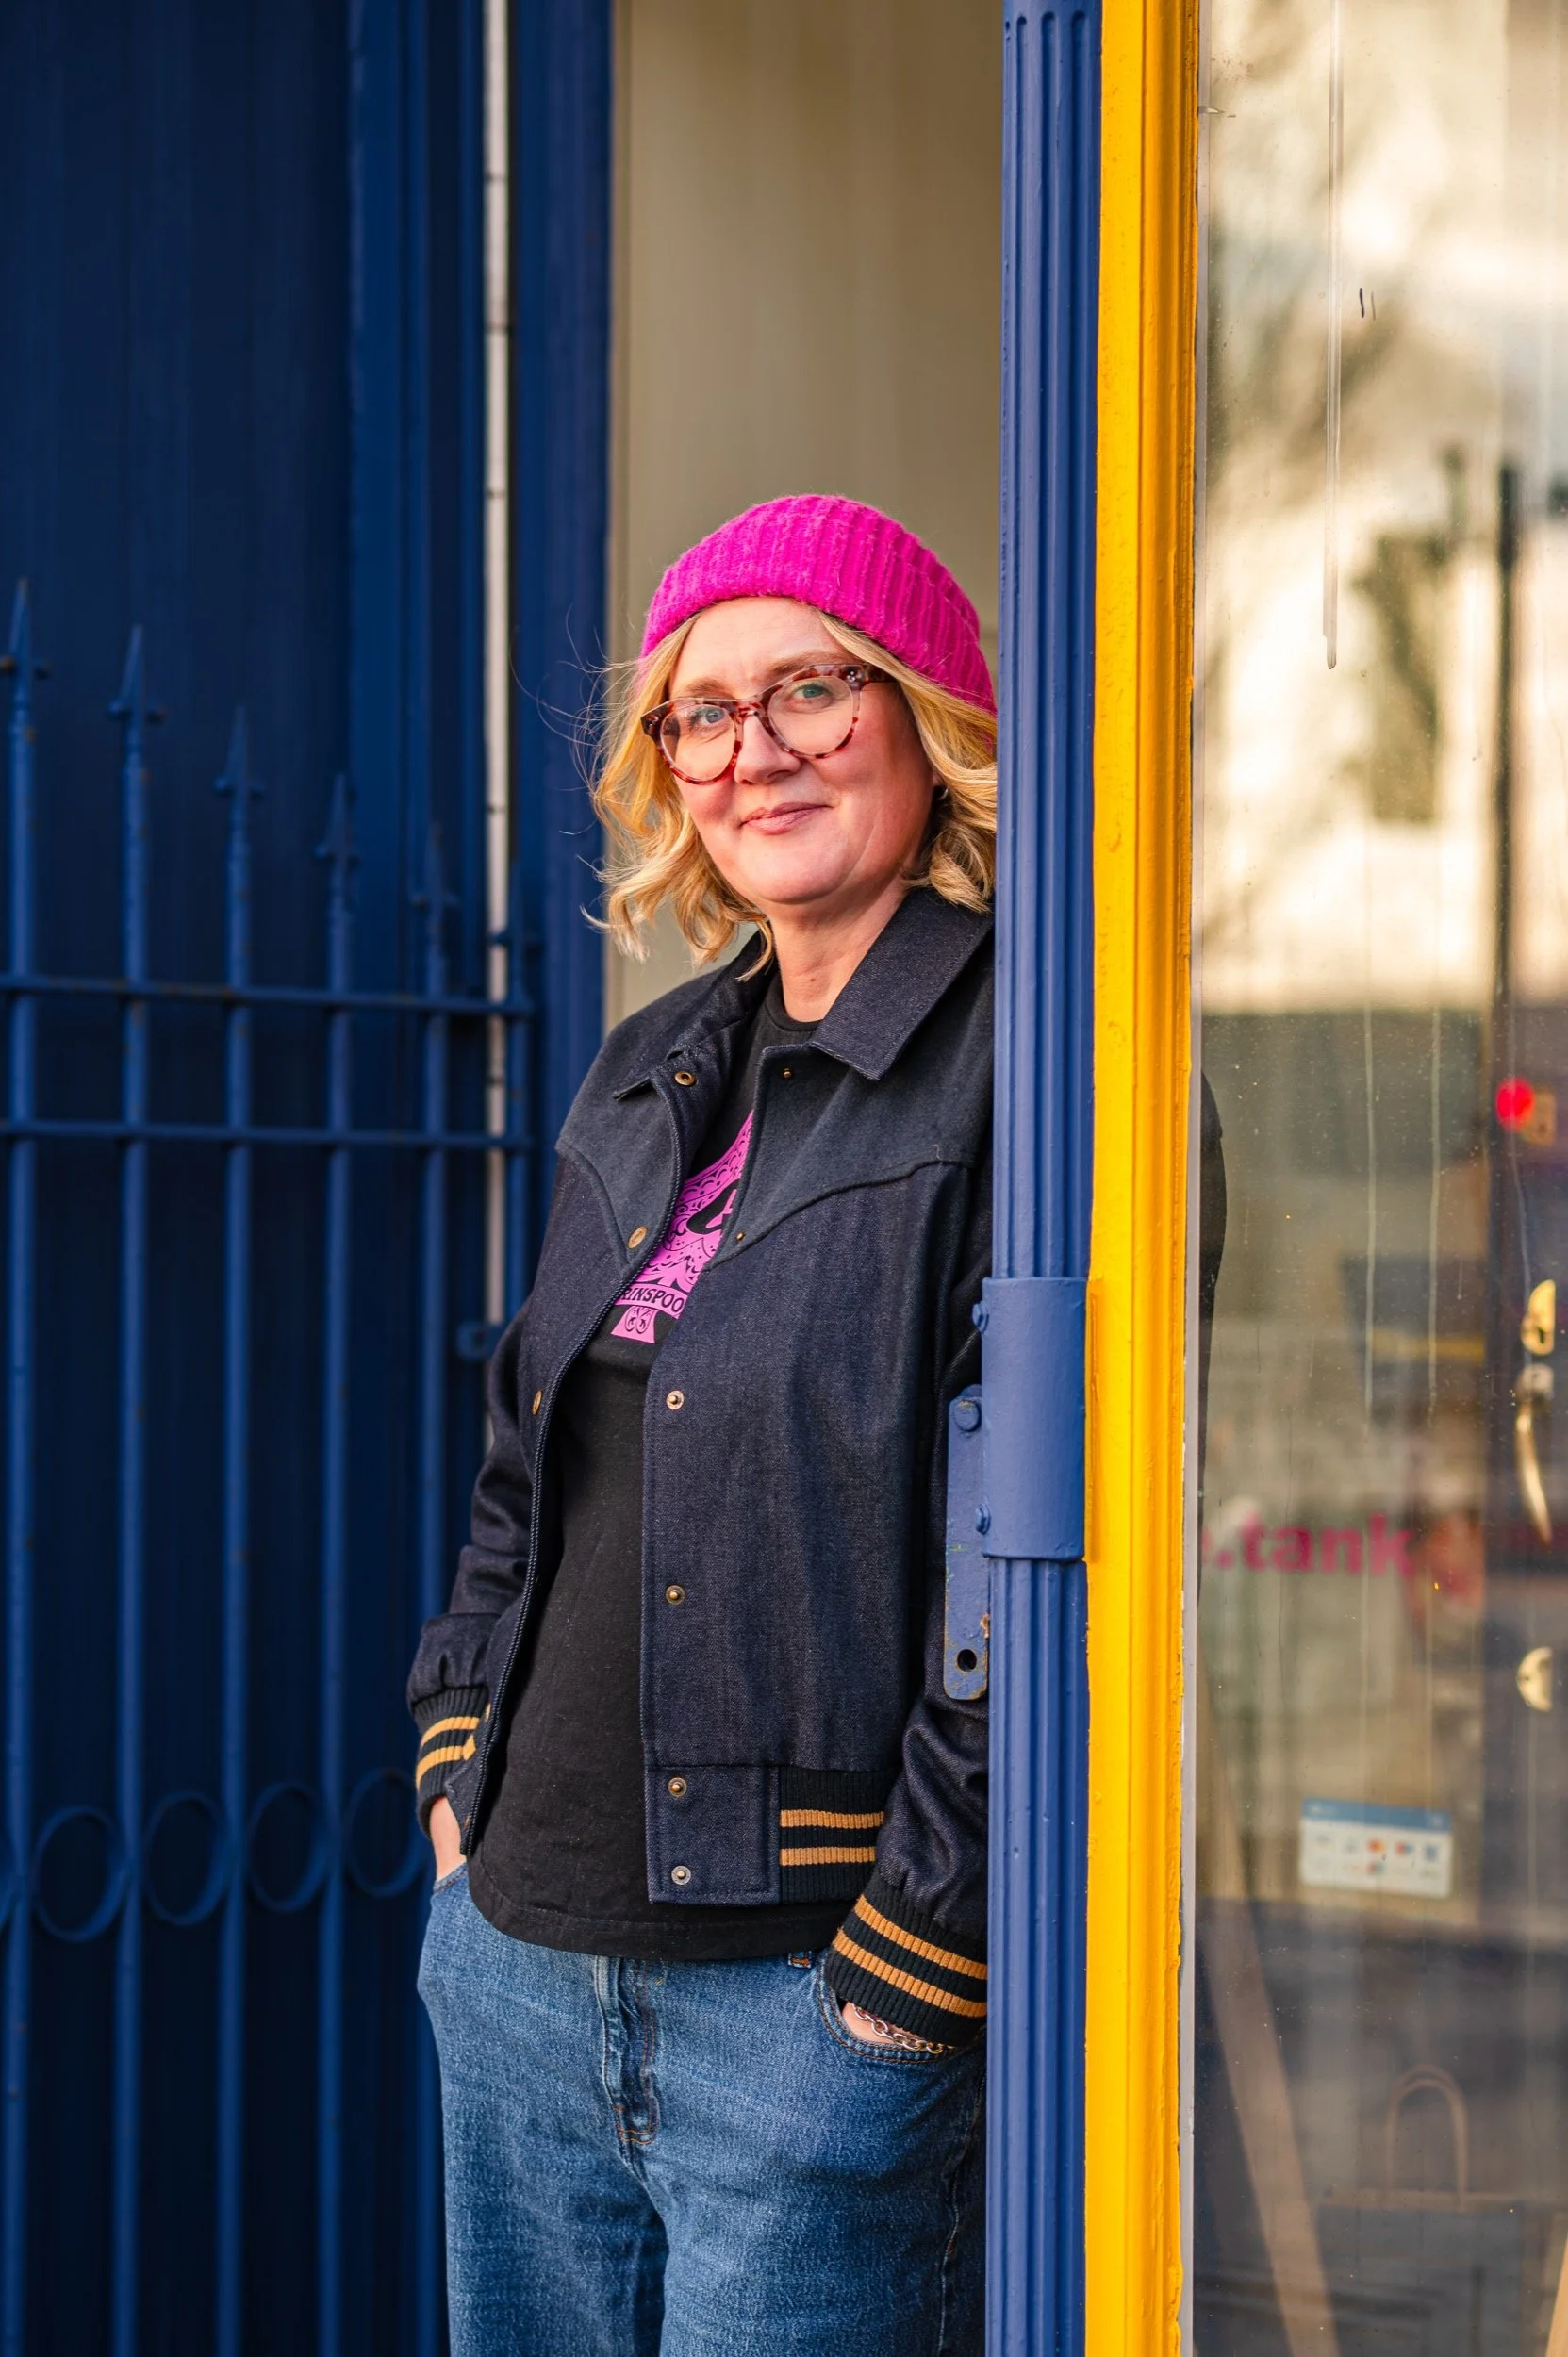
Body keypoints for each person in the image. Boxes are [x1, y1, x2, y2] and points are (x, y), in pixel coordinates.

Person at [410, 495, 998, 2356]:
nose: (756, 751)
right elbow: (529, 1460)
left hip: (802, 2006)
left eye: (813, 687)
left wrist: (901, 1986)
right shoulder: (647, 1058)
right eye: (703, 709)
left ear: (922, 715)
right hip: (519, 1953)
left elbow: (1038, 1574)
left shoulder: (1039, 1069)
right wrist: (454, 1772)